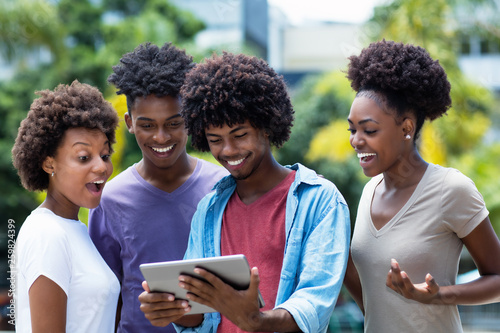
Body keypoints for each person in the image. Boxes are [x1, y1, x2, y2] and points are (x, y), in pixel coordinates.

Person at [138, 52, 351, 333]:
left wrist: (257, 321)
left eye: (240, 135)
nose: (228, 151)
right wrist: (173, 310)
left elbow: (315, 304)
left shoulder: (320, 201)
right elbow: (201, 316)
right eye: (215, 140)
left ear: (266, 126)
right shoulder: (209, 211)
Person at [344, 40, 500, 332]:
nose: (356, 140)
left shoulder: (450, 189)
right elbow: (375, 301)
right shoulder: (368, 192)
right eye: (352, 130)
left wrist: (439, 295)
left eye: (369, 130)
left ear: (406, 128)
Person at [88, 42, 228, 332]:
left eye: (174, 123)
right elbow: (105, 295)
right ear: (129, 123)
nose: (161, 137)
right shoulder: (110, 199)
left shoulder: (222, 188)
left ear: (190, 118)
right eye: (148, 125)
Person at [12, 80, 120, 332]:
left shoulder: (74, 228)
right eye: (84, 157)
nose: (101, 167)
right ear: (49, 164)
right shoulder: (47, 234)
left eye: (105, 155)